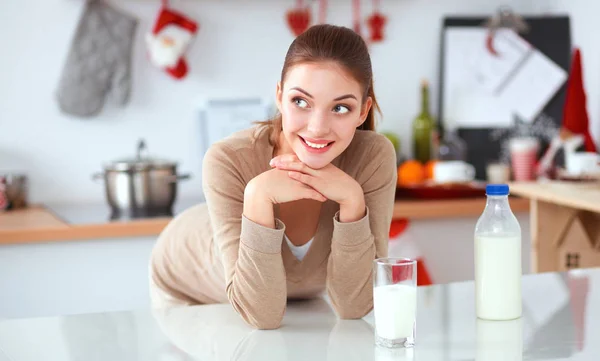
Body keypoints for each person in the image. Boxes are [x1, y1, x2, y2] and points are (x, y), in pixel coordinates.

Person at [149, 24, 397, 330]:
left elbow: (354, 306)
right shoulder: (227, 159)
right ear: (279, 96)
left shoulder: (373, 158)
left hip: (295, 295)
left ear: (363, 111)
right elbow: (261, 315)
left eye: (341, 107)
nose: (318, 128)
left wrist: (352, 200)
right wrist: (257, 197)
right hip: (188, 284)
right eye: (301, 102)